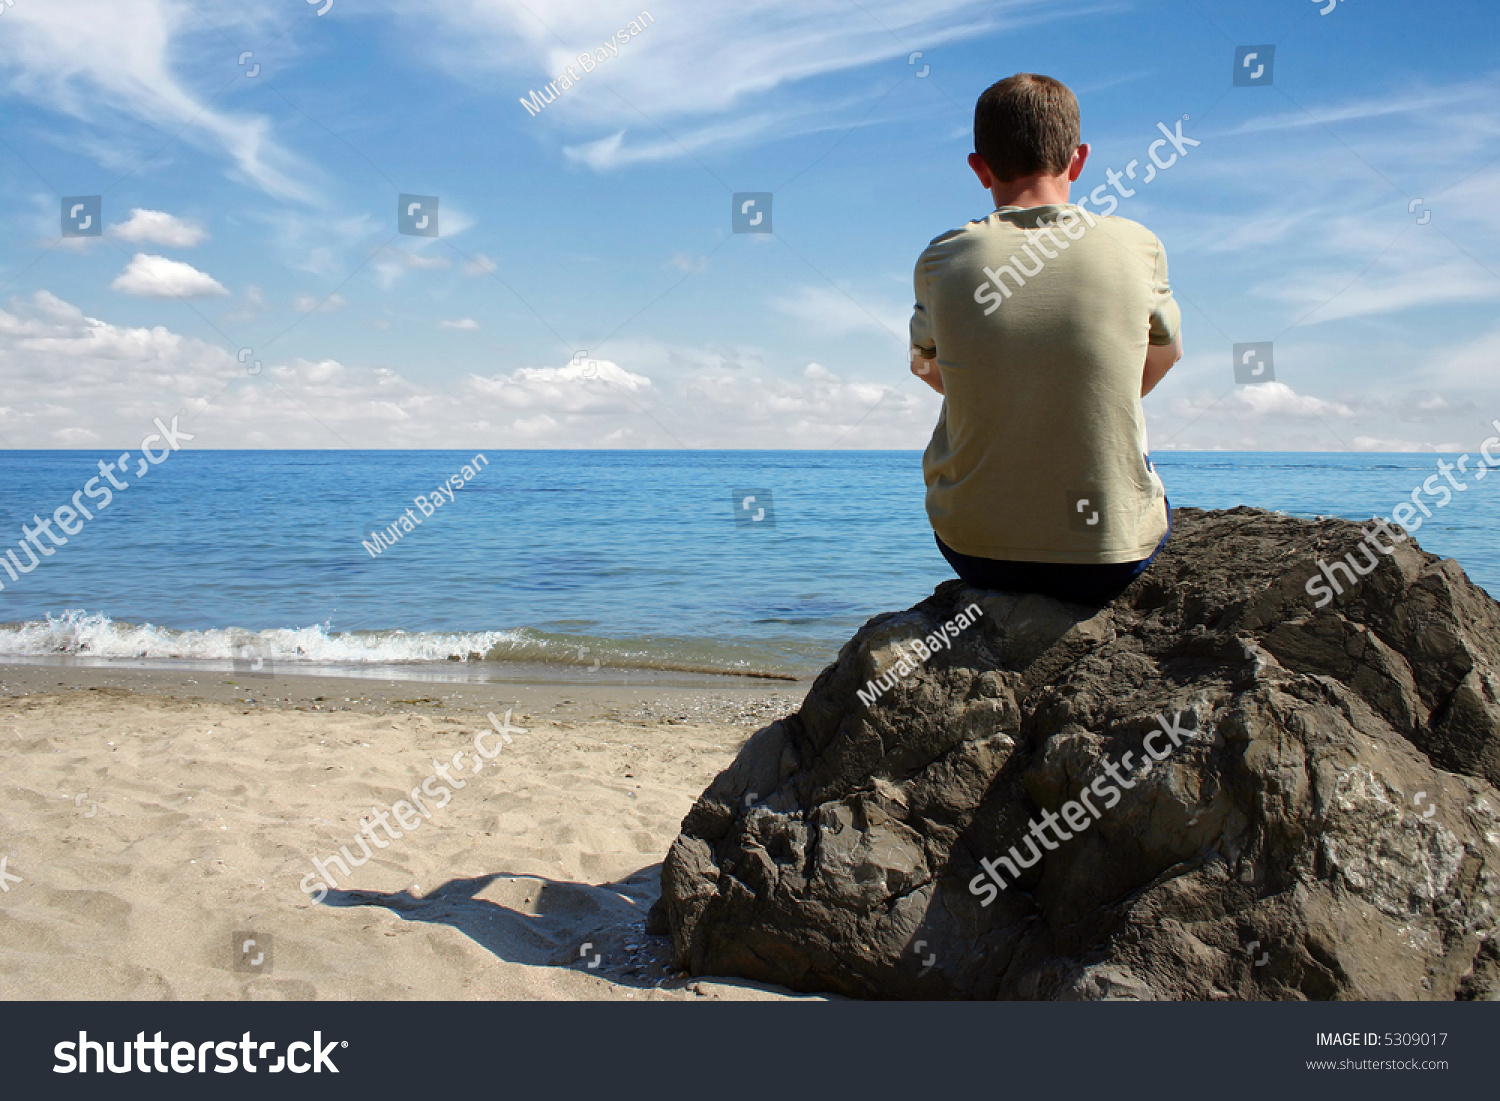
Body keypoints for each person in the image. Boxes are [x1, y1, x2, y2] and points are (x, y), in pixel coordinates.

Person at [909, 72, 1183, 607]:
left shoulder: (942, 258)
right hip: (1109, 560)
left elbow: (926, 367)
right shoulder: (1137, 245)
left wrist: (1009, 391)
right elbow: (1165, 354)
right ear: (1078, 160)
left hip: (976, 550)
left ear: (979, 167)